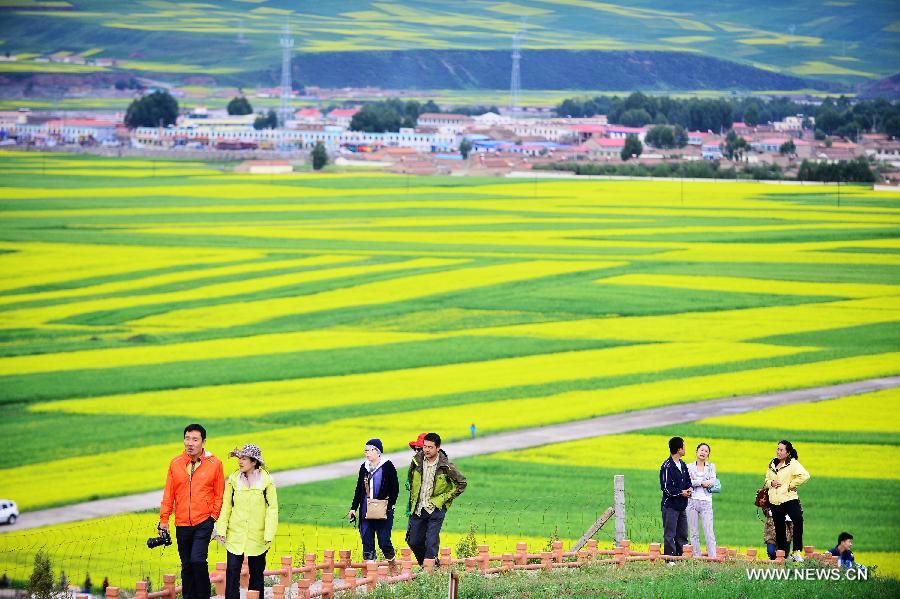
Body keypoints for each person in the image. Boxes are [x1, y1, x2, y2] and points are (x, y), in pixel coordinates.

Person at [159, 424, 225, 599]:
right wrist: (164, 520)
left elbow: (220, 494)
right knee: (187, 565)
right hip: (182, 523)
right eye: (187, 438)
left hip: (204, 521)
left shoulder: (215, 464)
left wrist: (213, 517)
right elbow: (168, 494)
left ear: (203, 442)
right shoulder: (175, 463)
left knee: (197, 560)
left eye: (195, 439)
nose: (190, 443)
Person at [214, 444, 278, 599]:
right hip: (235, 534)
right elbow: (226, 505)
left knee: (256, 574)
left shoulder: (266, 481)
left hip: (258, 535)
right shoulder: (233, 479)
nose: (240, 462)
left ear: (254, 461)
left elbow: (273, 508)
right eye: (239, 458)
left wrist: (269, 532)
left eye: (244, 458)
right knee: (232, 572)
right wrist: (221, 530)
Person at [406, 432, 467, 566]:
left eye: (430, 447)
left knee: (431, 542)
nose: (426, 450)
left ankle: (429, 571)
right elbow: (411, 480)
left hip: (436, 508)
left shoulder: (445, 465)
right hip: (418, 507)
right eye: (425, 446)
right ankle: (431, 565)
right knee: (413, 541)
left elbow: (461, 483)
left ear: (437, 448)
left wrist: (444, 499)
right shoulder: (416, 461)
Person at [347, 439, 399, 564]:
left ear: (377, 451)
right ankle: (371, 573)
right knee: (367, 540)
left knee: (384, 541)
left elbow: (395, 488)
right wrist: (353, 508)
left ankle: (392, 566)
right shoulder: (363, 467)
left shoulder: (387, 466)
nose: (366, 453)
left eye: (368, 450)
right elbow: (359, 490)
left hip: (384, 509)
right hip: (365, 510)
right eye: (365, 451)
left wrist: (389, 505)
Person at [764, 439, 810, 562]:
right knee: (779, 529)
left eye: (781, 450)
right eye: (777, 449)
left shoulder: (793, 463)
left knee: (798, 520)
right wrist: (771, 483)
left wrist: (791, 484)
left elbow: (805, 475)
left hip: (789, 498)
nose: (778, 452)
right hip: (775, 500)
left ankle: (796, 551)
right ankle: (782, 557)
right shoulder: (772, 463)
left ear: (788, 452)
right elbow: (766, 479)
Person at [660, 436, 691, 558]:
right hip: (670, 506)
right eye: (684, 446)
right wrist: (681, 493)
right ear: (679, 449)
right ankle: (670, 559)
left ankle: (681, 557)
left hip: (681, 505)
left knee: (682, 534)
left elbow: (688, 481)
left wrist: (689, 489)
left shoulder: (683, 464)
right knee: (670, 534)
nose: (685, 449)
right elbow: (666, 488)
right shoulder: (667, 466)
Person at [686, 442, 717, 558]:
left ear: (708, 455)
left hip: (706, 502)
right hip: (692, 502)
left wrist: (697, 482)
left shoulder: (711, 467)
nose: (703, 452)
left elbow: (713, 481)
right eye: (701, 450)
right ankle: (697, 557)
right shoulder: (689, 466)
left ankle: (713, 558)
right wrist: (702, 482)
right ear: (696, 452)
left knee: (709, 532)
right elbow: (688, 482)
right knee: (694, 533)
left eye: (706, 451)